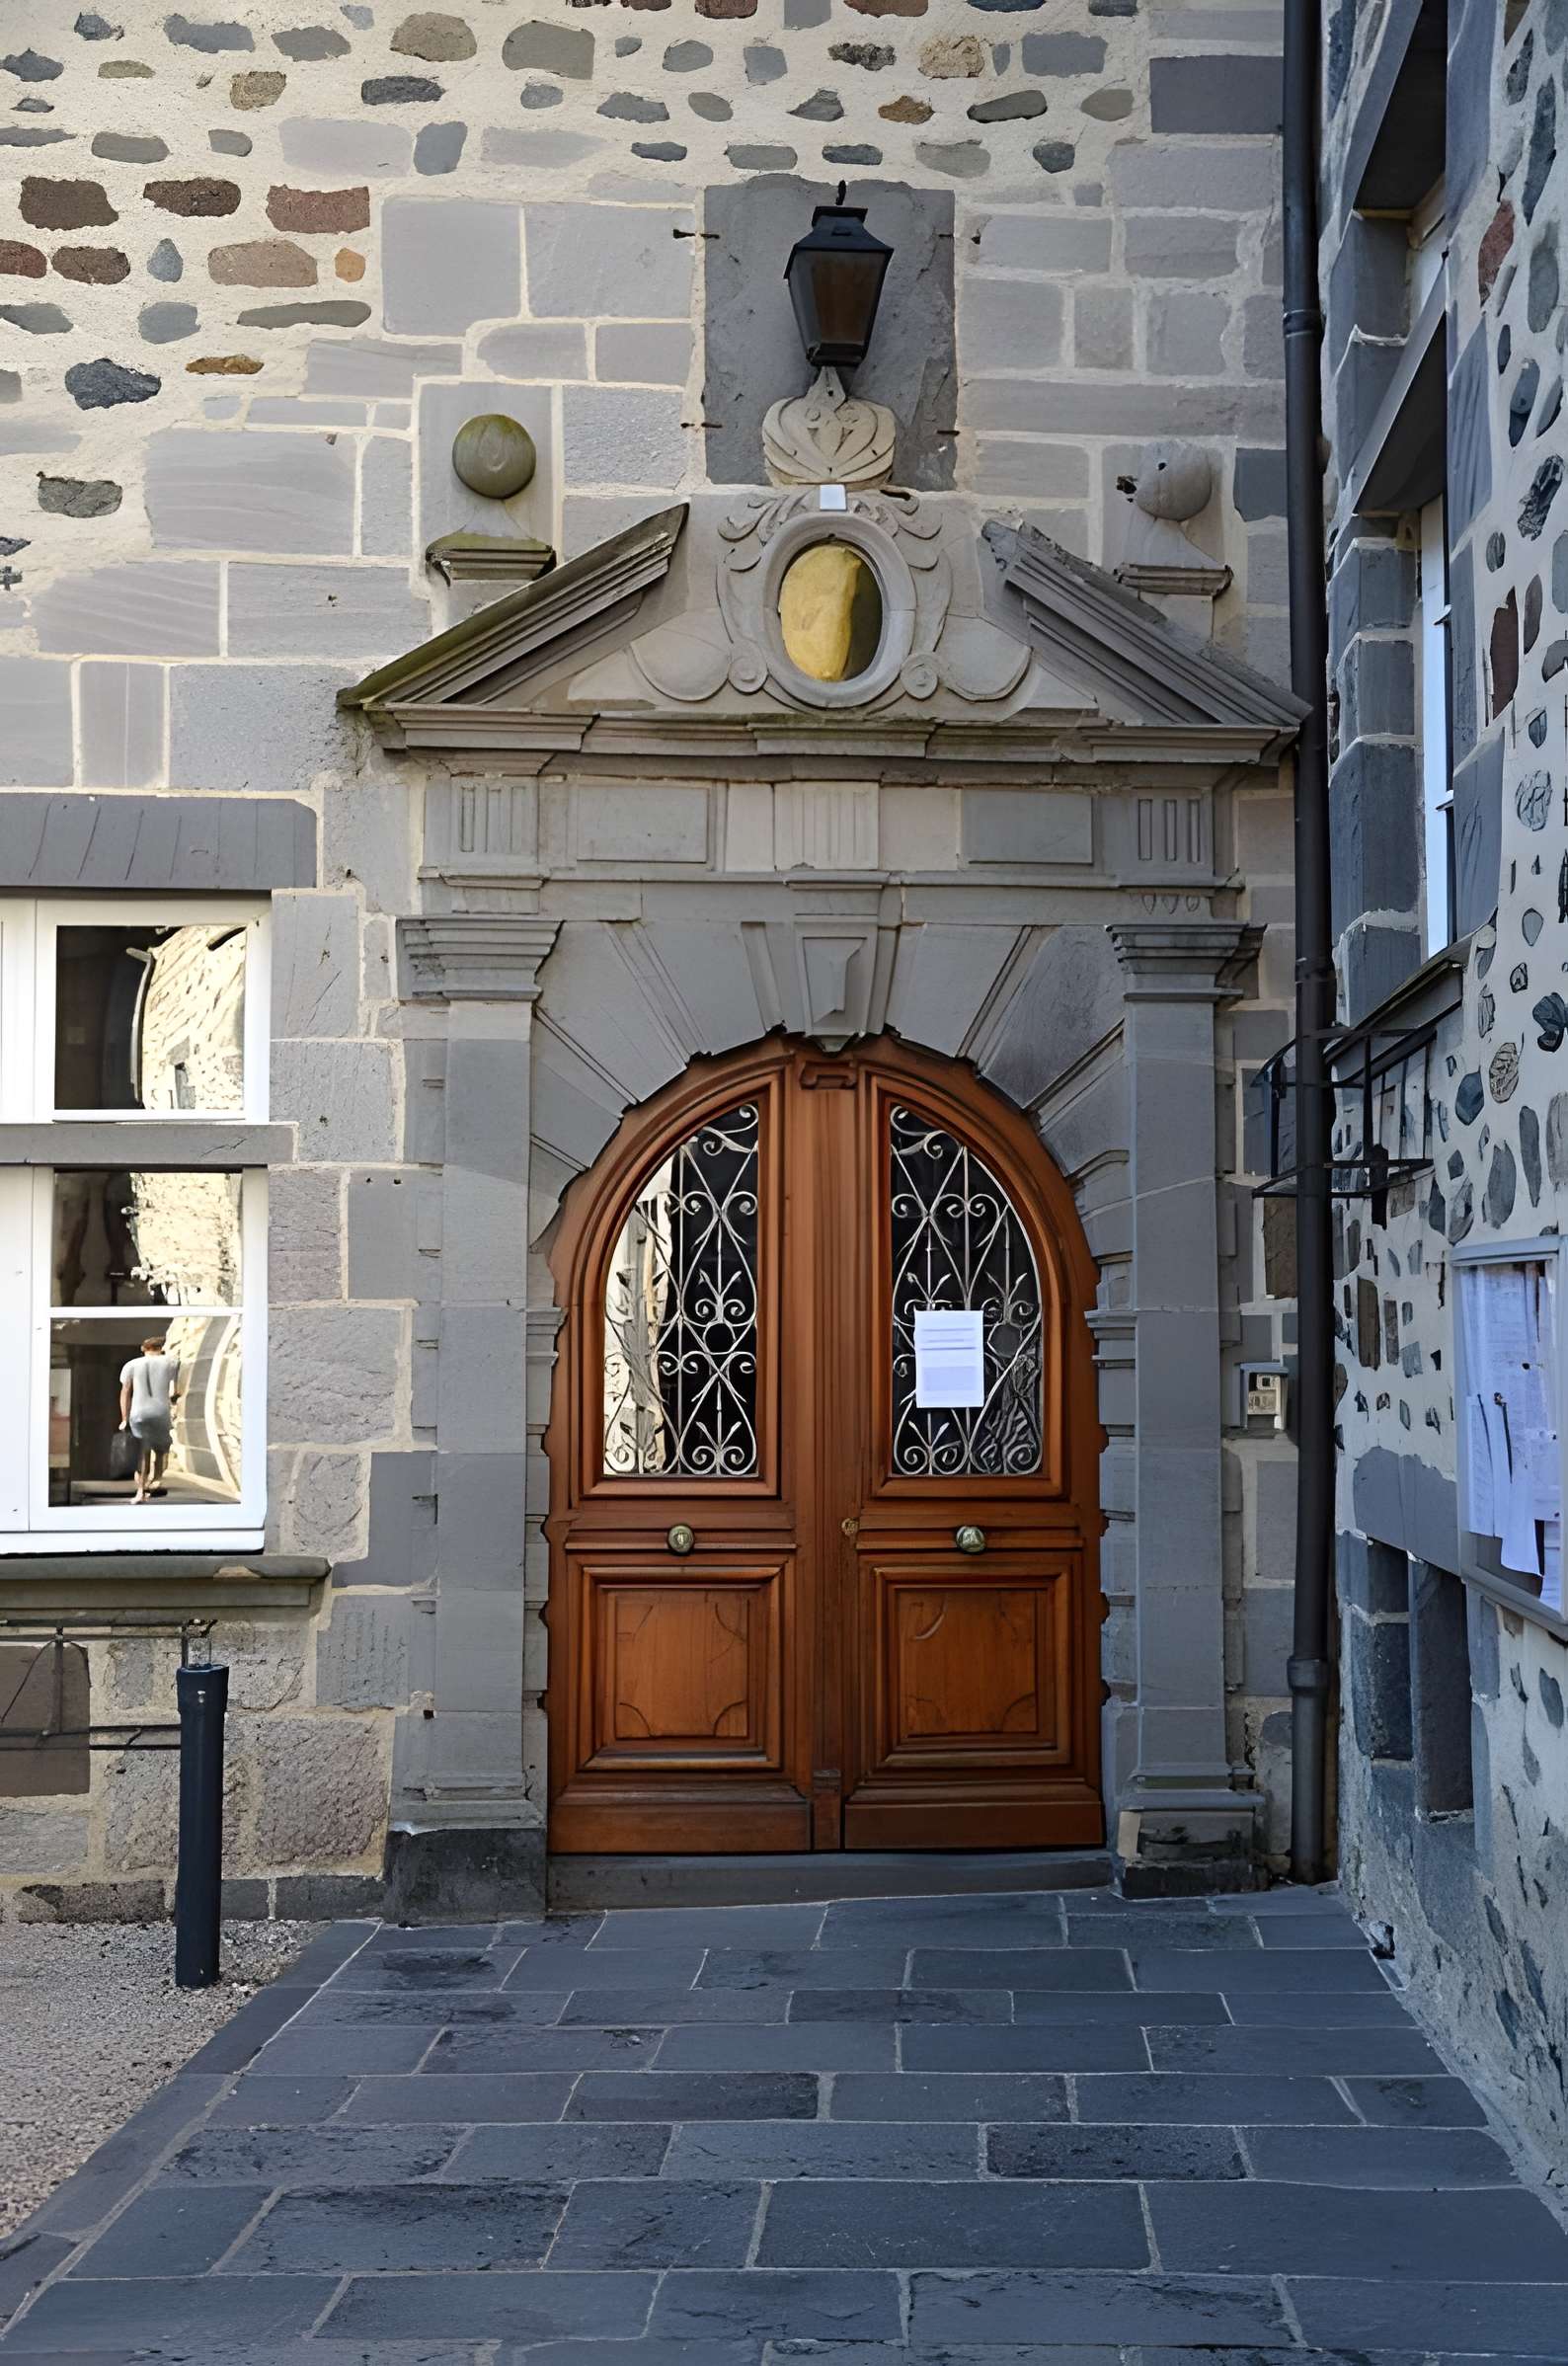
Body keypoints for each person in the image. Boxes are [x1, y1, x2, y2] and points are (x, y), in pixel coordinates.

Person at [118, 1336, 180, 1505]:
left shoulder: (131, 1365)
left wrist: (124, 1418)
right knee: (161, 1450)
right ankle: (156, 1479)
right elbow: (174, 1390)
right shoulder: (171, 1362)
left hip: (138, 1413)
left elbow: (125, 1393)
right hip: (160, 1412)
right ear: (161, 1348)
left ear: (143, 1349)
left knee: (143, 1453)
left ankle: (140, 1491)